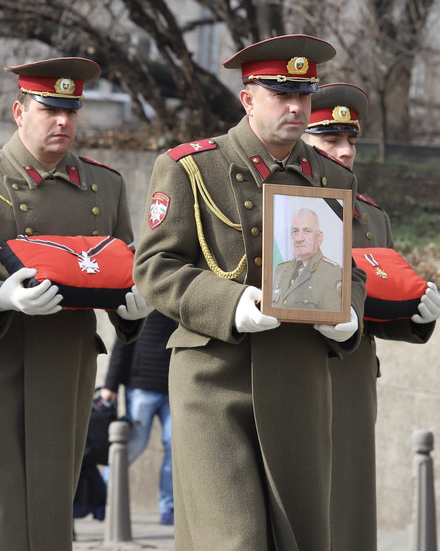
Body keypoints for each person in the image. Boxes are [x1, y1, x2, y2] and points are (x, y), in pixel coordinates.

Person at [132, 34, 368, 550]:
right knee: (232, 539)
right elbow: (153, 266)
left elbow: (349, 267)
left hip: (301, 380)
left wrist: (351, 312)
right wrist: (229, 303)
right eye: (281, 94)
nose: (295, 107)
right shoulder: (191, 167)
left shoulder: (329, 176)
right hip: (214, 380)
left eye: (303, 95)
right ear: (247, 99)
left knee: (301, 539)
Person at [0, 57, 152, 550]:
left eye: (72, 111)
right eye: (50, 110)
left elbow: (120, 270)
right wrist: (0, 296)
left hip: (66, 362)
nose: (63, 122)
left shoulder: (103, 185)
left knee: (49, 512)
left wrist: (131, 312)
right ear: (19, 111)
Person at [302, 81, 440, 549]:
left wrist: (416, 317)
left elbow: (380, 303)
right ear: (301, 138)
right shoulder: (276, 204)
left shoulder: (371, 216)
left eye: (351, 141)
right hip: (289, 373)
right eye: (330, 139)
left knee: (348, 513)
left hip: (352, 379)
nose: (346, 151)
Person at [100, 308, 178, 525]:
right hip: (141, 387)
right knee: (133, 445)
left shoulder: (182, 300)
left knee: (174, 448)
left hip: (176, 387)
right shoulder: (142, 300)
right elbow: (123, 343)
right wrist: (110, 385)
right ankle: (98, 495)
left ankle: (168, 507)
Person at [272, 207, 343, 311]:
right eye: (295, 231)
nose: (299, 238)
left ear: (319, 237)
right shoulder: (281, 269)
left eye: (307, 231)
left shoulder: (332, 271)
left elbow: (331, 318)